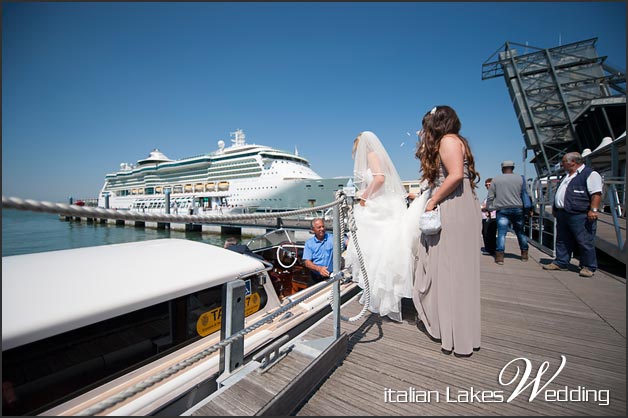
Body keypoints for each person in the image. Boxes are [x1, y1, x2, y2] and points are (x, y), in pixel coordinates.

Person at [412, 105, 481, 357]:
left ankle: (456, 335)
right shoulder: (454, 141)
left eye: (427, 124)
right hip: (456, 205)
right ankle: (456, 331)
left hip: (452, 207)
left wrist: (432, 202)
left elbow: (454, 176)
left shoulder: (449, 141)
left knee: (452, 271)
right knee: (454, 271)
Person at [344, 131, 413, 322]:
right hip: (385, 206)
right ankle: (378, 296)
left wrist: (364, 196)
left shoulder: (372, 156)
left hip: (378, 209)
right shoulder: (379, 157)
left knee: (376, 252)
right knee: (378, 254)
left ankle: (381, 299)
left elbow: (380, 179)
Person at [543, 152, 603, 277]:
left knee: (585, 240)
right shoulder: (567, 176)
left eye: (564, 161)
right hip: (563, 213)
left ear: (573, 162)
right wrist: (555, 208)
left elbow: (596, 193)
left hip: (579, 213)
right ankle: (561, 262)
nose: (562, 164)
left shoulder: (590, 174)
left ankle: (588, 266)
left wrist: (593, 210)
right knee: (562, 239)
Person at [485, 160, 530, 264]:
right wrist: (528, 209)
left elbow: (490, 197)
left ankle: (500, 256)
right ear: (513, 168)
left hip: (502, 209)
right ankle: (524, 254)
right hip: (518, 208)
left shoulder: (496, 180)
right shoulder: (521, 179)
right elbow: (528, 194)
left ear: (502, 168)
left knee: (501, 233)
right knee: (520, 232)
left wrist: (490, 208)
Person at [302, 218, 335, 285]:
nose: (322, 229)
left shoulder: (333, 238)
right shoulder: (309, 243)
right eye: (319, 227)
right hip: (315, 277)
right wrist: (319, 269)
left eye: (323, 226)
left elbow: (347, 242)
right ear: (313, 230)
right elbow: (307, 262)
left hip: (331, 276)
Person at [481, 178, 497, 255]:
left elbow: (493, 205)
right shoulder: (488, 195)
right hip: (485, 217)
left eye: (489, 185)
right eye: (486, 185)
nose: (487, 186)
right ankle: (489, 248)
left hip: (491, 217)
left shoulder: (495, 195)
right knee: (485, 233)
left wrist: (485, 207)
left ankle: (491, 249)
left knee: (489, 233)